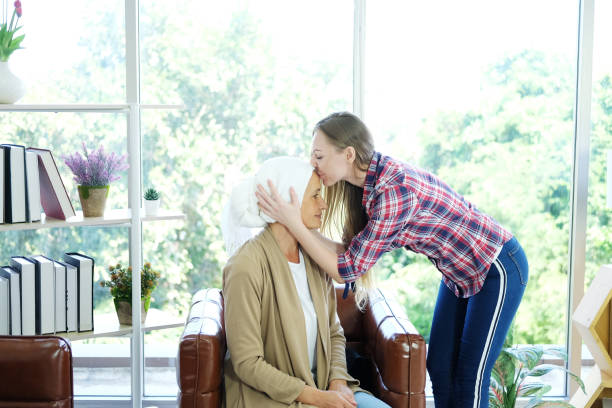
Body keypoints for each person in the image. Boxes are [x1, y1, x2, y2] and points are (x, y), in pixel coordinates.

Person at [255, 113, 529, 408]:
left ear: (348, 154)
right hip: (457, 273)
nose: (313, 164)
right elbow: (349, 255)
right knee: (438, 365)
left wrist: (294, 223)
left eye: (319, 156)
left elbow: (345, 270)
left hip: (496, 265)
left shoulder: (392, 192)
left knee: (469, 378)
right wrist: (296, 223)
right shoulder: (368, 187)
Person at [222, 156, 390, 408]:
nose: (323, 204)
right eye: (314, 196)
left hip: (325, 385)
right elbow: (247, 363)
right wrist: (319, 398)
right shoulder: (245, 267)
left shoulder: (314, 258)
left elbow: (334, 332)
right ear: (286, 203)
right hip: (273, 397)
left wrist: (337, 383)